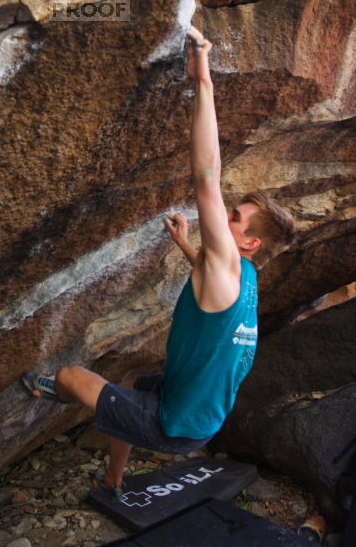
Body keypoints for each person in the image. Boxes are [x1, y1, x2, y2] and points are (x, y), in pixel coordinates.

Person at [22, 24, 296, 497]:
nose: (225, 217)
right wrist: (185, 246)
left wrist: (203, 80)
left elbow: (207, 176)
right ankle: (114, 479)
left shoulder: (231, 265)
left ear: (249, 243)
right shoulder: (244, 277)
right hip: (199, 417)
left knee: (72, 376)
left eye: (235, 218)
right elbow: (211, 295)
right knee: (130, 383)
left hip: (175, 427)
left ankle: (45, 389)